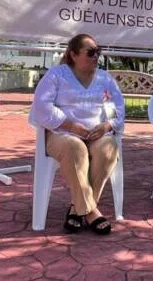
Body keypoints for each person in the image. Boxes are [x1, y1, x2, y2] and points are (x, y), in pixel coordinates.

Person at [29, 34, 124, 235]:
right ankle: (91, 211)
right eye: (90, 52)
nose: (96, 56)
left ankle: (78, 208)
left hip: (96, 134)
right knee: (75, 148)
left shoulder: (105, 78)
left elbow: (118, 109)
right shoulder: (56, 75)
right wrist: (71, 126)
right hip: (61, 133)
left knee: (109, 149)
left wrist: (106, 126)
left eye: (98, 52)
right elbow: (42, 108)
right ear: (73, 55)